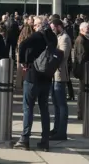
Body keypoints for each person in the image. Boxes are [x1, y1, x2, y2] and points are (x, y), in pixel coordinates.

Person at [15, 16, 58, 151]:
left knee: (28, 108)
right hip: (46, 77)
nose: (34, 27)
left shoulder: (37, 36)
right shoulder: (53, 37)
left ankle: (25, 138)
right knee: (44, 109)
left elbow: (22, 45)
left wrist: (22, 61)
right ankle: (45, 141)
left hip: (33, 75)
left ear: (40, 25)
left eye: (35, 24)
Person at [50, 18, 72, 140]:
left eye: (54, 28)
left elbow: (62, 56)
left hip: (60, 74)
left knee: (61, 104)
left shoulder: (65, 38)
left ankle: (61, 131)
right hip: (54, 74)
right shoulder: (58, 37)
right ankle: (56, 128)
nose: (52, 30)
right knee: (56, 104)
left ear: (59, 26)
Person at [71, 22, 89, 120]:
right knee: (82, 92)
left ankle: (84, 112)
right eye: (87, 28)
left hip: (87, 69)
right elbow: (81, 57)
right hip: (83, 70)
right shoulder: (81, 40)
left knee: (85, 91)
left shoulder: (87, 39)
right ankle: (81, 113)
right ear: (82, 30)